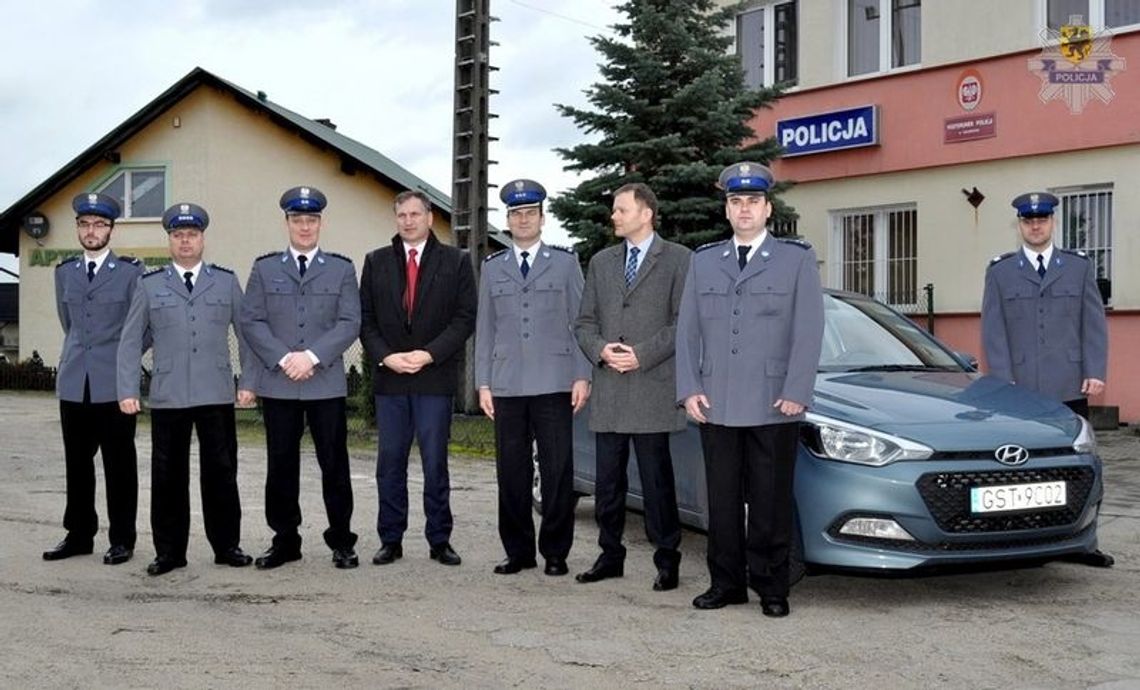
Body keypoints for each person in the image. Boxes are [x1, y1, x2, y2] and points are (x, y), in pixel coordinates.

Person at [675, 162, 824, 618]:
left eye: (753, 202)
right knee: (720, 502)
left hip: (774, 401)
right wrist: (689, 389)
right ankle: (726, 584)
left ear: (767, 208)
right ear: (727, 209)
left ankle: (771, 586)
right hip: (716, 402)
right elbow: (687, 332)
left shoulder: (796, 259)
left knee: (770, 502)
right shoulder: (704, 261)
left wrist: (798, 389)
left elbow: (809, 330)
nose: (745, 209)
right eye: (737, 202)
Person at [117, 203, 256, 575]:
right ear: (170, 241)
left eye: (191, 234)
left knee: (222, 472)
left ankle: (227, 545)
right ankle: (169, 552)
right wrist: (127, 389)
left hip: (215, 392)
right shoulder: (149, 284)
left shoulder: (225, 281)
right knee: (167, 476)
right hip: (169, 393)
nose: (185, 241)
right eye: (178, 235)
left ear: (203, 239)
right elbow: (131, 341)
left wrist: (249, 382)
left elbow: (246, 335)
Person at [573, 182, 691, 591]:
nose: (614, 216)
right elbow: (584, 323)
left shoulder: (679, 260)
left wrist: (642, 354)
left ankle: (667, 560)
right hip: (610, 390)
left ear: (646, 214)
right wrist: (601, 349)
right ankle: (610, 555)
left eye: (621, 210)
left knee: (657, 483)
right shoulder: (602, 262)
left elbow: (683, 323)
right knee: (608, 484)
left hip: (651, 387)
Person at [240, 186, 361, 570]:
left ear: (320, 223)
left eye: (311, 220)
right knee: (280, 466)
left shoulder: (342, 269)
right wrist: (282, 358)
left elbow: (350, 322)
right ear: (287, 223)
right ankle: (285, 540)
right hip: (279, 382)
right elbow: (251, 320)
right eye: (297, 220)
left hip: (323, 382)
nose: (305, 227)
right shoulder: (265, 268)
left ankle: (342, 540)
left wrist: (311, 356)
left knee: (335, 465)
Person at [475, 179, 592, 576]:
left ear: (542, 218)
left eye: (529, 213)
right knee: (511, 471)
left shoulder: (564, 262)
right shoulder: (493, 268)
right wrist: (483, 382)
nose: (523, 220)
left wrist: (582, 375)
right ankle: (518, 551)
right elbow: (485, 327)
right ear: (507, 221)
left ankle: (556, 552)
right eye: (515, 214)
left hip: (555, 380)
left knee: (558, 470)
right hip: (507, 384)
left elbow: (581, 323)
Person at [359, 190, 476, 567]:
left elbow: (464, 318)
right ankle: (390, 539)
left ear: (429, 217)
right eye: (401, 215)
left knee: (435, 463)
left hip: (433, 379)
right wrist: (386, 357)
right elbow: (366, 320)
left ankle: (440, 539)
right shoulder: (376, 262)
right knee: (389, 463)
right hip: (390, 380)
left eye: (415, 214)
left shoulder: (456, 262)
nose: (408, 221)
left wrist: (429, 354)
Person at [44, 193, 143, 566]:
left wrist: (123, 364)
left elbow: (140, 331)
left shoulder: (132, 273)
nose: (91, 231)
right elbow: (69, 324)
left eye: (99, 224)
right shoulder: (64, 272)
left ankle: (122, 539)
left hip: (114, 384)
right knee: (77, 464)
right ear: (78, 229)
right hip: (74, 383)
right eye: (85, 224)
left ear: (111, 230)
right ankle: (79, 534)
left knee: (120, 466)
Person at [981, 192, 1108, 418]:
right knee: (1021, 449)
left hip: (1070, 384)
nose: (1035, 227)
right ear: (1019, 224)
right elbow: (993, 332)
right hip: (1019, 386)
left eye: (1042, 220)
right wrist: (1002, 378)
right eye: (1028, 221)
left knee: (1071, 448)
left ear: (1053, 222)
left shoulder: (1079, 267)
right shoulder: (1000, 272)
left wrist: (1095, 372)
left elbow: (1093, 325)